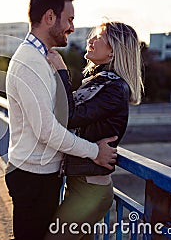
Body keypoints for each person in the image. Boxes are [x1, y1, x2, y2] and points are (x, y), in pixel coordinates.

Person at [4, 0, 118, 240]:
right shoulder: (30, 63)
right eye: (69, 19)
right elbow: (47, 130)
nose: (73, 28)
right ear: (49, 17)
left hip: (40, 175)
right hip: (33, 178)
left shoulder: (40, 58)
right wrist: (94, 152)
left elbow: (61, 112)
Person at [45, 21, 144, 239]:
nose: (90, 40)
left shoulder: (114, 89)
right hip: (80, 182)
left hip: (91, 190)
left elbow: (68, 117)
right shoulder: (99, 82)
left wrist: (61, 72)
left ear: (113, 51)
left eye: (99, 37)